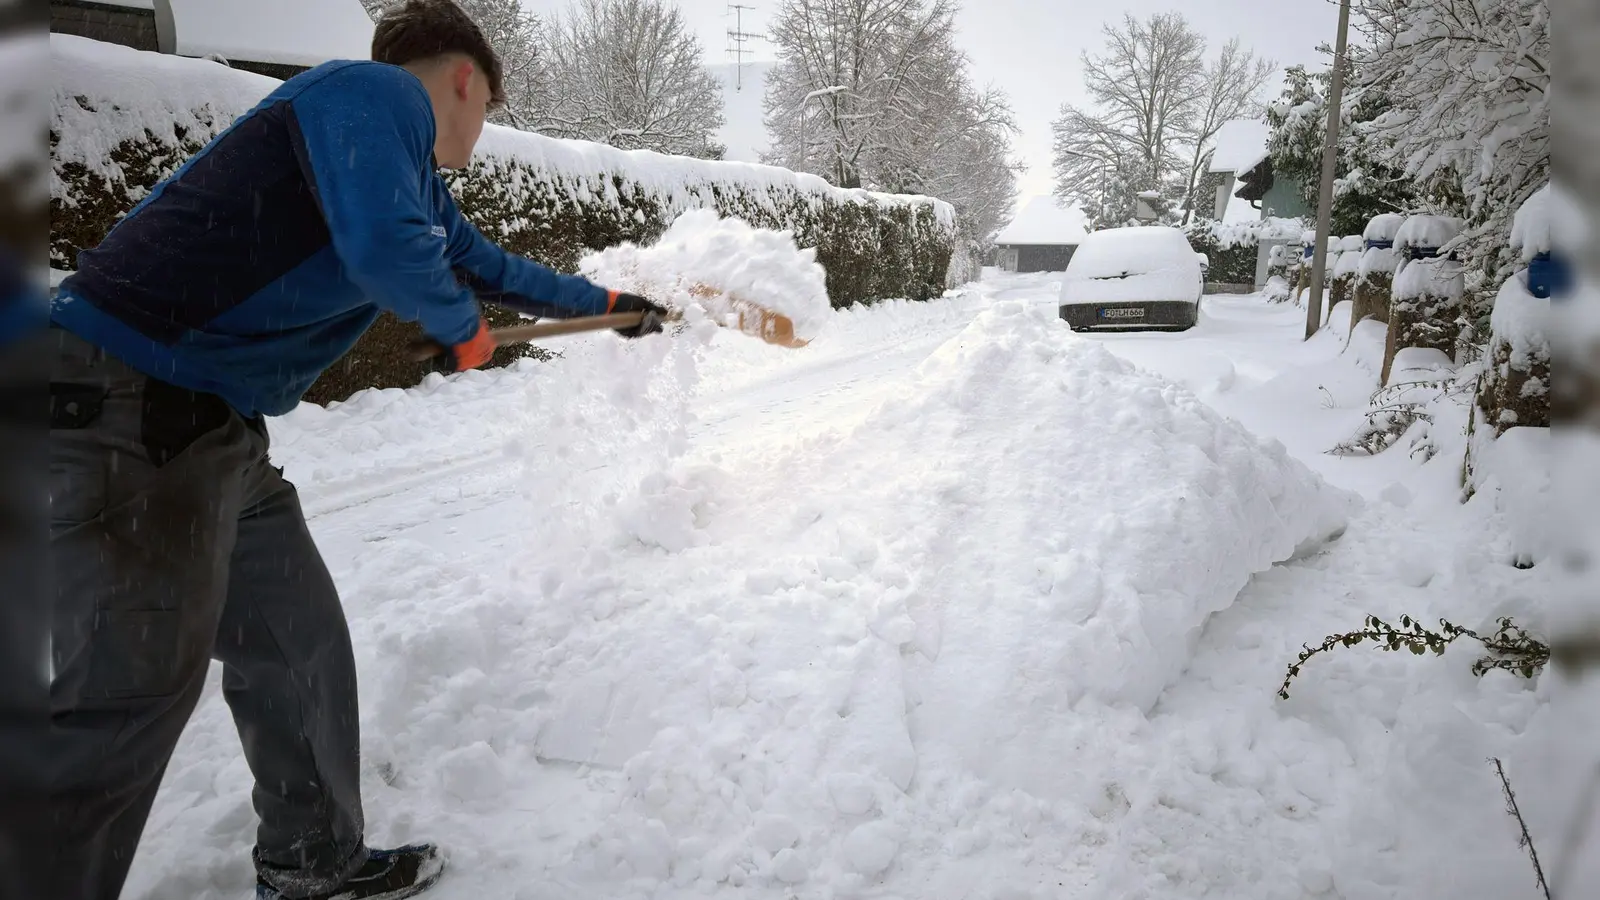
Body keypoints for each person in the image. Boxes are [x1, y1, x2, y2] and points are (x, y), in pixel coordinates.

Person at [41, 1, 667, 898]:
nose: (482, 131)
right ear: (464, 79)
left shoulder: (409, 178)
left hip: (207, 428)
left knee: (297, 641)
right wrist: (461, 330)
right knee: (124, 697)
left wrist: (610, 304)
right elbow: (386, 251)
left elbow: (490, 267)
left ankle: (312, 862)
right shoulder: (366, 91)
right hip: (128, 398)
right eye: (489, 106)